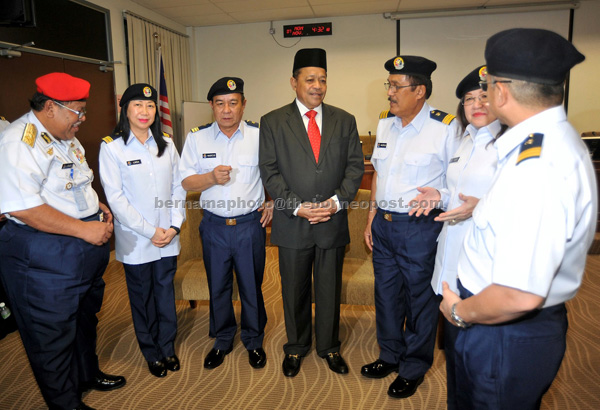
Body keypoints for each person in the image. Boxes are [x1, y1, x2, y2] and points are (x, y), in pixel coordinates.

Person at [439, 28, 597, 410]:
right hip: (495, 323)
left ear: (501, 92)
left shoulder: (539, 164)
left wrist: (458, 311)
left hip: (501, 332)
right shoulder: (536, 144)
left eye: (487, 84)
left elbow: (518, 294)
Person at [0, 72, 125, 410]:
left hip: (77, 251)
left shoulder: (63, 134)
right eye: (78, 112)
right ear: (51, 107)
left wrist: (93, 204)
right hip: (43, 256)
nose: (82, 120)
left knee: (83, 320)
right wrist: (85, 229)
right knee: (51, 337)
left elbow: (73, 180)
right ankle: (66, 404)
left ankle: (87, 375)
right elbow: (23, 207)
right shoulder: (19, 141)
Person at [259, 48, 364, 377]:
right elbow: (270, 171)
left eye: (322, 79)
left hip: (331, 221)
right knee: (293, 288)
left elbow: (354, 168)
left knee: (330, 289)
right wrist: (297, 206)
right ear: (294, 82)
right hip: (293, 222)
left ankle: (329, 346)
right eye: (310, 79)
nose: (317, 85)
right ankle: (296, 347)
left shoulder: (344, 120)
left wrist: (334, 203)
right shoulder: (273, 121)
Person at [361, 55, 461, 399]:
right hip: (385, 226)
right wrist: (372, 216)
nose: (389, 92)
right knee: (386, 295)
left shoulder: (446, 127)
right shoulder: (386, 124)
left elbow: (458, 184)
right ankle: (389, 355)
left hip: (419, 227)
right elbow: (378, 175)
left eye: (396, 86)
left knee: (420, 298)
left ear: (419, 91)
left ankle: (414, 367)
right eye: (388, 84)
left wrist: (441, 196)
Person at [409, 65, 504, 408]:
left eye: (484, 96)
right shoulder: (464, 140)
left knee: (484, 362)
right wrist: (439, 195)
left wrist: (481, 206)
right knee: (456, 356)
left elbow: (524, 205)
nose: (477, 104)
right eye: (469, 99)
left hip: (485, 269)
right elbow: (457, 193)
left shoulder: (511, 144)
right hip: (451, 260)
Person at [180, 77, 272, 370]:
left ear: (243, 105)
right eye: (220, 104)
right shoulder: (197, 138)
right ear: (212, 106)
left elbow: (277, 174)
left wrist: (273, 203)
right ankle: (222, 340)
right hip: (214, 227)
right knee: (217, 286)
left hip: (249, 225)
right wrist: (209, 178)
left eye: (233, 103)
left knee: (251, 286)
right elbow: (185, 180)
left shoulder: (260, 136)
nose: (227, 110)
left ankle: (254, 341)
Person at [99, 83, 186, 378]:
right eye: (138, 105)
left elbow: (178, 186)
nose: (145, 111)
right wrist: (151, 231)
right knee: (143, 298)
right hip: (137, 240)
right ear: (125, 109)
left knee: (164, 294)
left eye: (150, 106)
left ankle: (167, 347)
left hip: (168, 237)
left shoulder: (165, 143)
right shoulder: (111, 147)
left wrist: (174, 225)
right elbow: (116, 199)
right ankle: (151, 352)